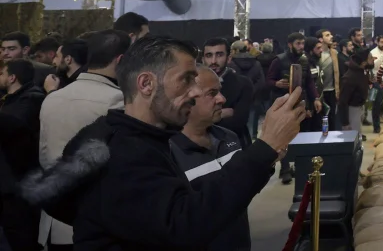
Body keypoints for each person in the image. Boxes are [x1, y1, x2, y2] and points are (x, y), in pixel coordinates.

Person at [26, 36, 305, 251]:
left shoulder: (124, 136)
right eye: (186, 80)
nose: (195, 92)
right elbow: (184, 224)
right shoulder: (124, 151)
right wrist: (264, 147)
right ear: (146, 84)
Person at [37, 29, 130, 251]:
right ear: (121, 60)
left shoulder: (52, 97)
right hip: (93, 223)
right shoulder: (118, 100)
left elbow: (44, 157)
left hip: (54, 217)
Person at [169, 67, 252, 251]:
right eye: (212, 93)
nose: (222, 99)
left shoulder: (229, 137)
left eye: (220, 91)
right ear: (186, 99)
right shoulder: (169, 152)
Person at [0, 60, 45, 250]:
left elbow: (16, 129)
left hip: (19, 181)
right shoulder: (10, 100)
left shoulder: (31, 100)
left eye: (2, 73)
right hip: (10, 180)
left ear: (12, 77)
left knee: (22, 236)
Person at [266, 33, 319, 183]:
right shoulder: (278, 60)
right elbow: (268, 80)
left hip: (300, 103)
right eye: (298, 43)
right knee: (284, 136)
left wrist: (316, 98)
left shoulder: (305, 60)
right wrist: (276, 83)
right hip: (283, 103)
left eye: (302, 43)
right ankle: (285, 169)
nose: (301, 46)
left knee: (300, 135)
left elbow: (309, 82)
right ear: (290, 44)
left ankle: (299, 166)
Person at [203, 38, 252, 144]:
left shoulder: (243, 83)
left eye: (219, 55)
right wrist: (220, 114)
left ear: (229, 58)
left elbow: (238, 123)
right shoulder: (195, 83)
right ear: (203, 59)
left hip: (235, 144)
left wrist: (202, 119)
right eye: (209, 55)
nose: (213, 61)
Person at [228, 41, 265, 141]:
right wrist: (251, 91)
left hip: (235, 100)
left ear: (235, 50)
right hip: (254, 99)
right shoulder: (256, 63)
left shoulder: (230, 64)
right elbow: (261, 82)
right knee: (252, 124)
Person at [339, 48, 371, 135]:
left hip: (360, 107)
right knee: (353, 135)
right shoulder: (349, 78)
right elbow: (342, 101)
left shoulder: (362, 70)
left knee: (358, 134)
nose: (372, 59)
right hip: (353, 110)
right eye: (370, 57)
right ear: (363, 62)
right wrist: (345, 122)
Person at [316, 30, 338, 128]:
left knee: (332, 119)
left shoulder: (334, 53)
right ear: (321, 39)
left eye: (330, 34)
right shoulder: (316, 54)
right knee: (319, 120)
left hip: (331, 91)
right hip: (318, 92)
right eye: (327, 35)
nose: (331, 36)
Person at [368, 34, 383, 133]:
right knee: (376, 103)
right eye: (382, 42)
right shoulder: (373, 52)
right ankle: (376, 127)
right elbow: (374, 66)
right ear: (377, 42)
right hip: (376, 80)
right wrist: (382, 57)